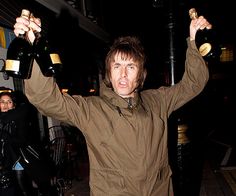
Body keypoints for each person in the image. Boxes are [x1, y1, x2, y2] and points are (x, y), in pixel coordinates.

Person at [13, 11, 210, 195]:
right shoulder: (92, 110)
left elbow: (194, 83)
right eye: (117, 66)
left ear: (141, 75)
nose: (123, 74)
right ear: (109, 73)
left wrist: (193, 40)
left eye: (130, 67)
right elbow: (46, 99)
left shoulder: (158, 101)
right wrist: (34, 43)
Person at [0, 91, 57, 196]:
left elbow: (22, 141)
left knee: (23, 188)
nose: (5, 104)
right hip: (6, 160)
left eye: (9, 102)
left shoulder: (19, 117)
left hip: (20, 157)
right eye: (2, 102)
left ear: (13, 105)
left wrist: (5, 136)